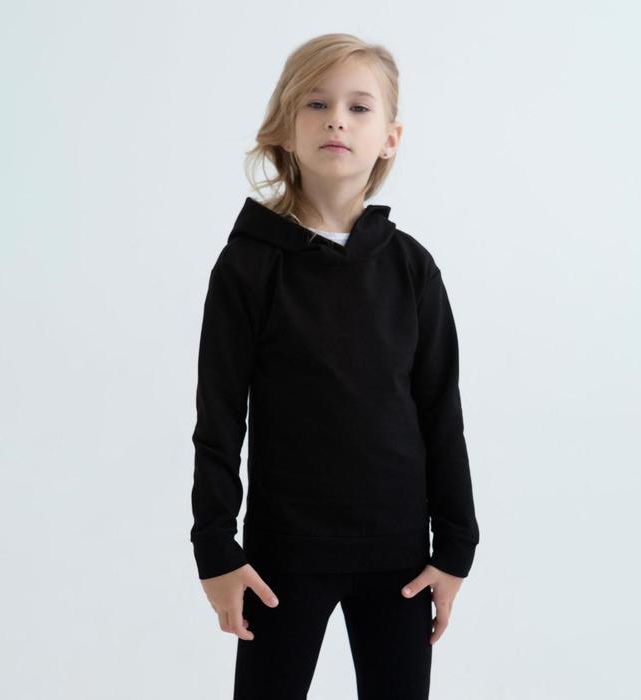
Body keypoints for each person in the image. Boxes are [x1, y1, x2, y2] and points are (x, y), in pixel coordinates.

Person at [189, 32, 480, 700]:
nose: (337, 121)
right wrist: (216, 549)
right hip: (282, 558)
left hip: (401, 561)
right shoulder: (249, 265)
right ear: (286, 129)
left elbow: (442, 411)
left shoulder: (411, 268)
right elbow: (219, 418)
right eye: (316, 104)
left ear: (390, 138)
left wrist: (455, 547)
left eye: (358, 107)